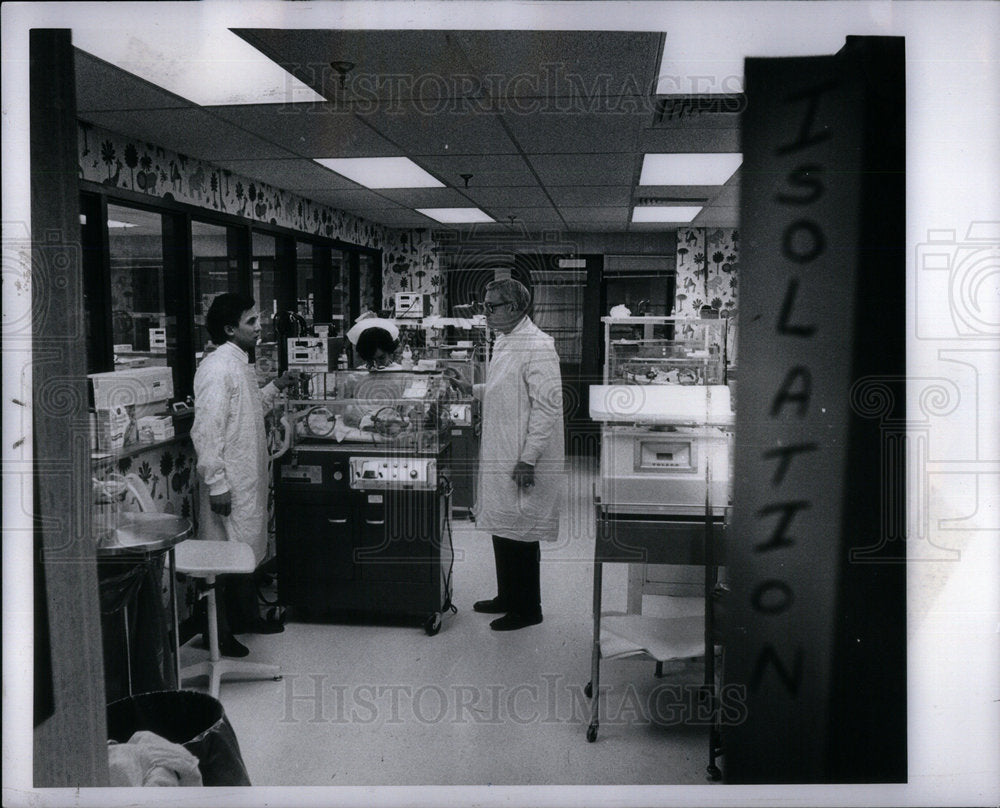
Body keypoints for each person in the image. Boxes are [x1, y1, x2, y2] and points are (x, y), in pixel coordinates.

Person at [190, 293, 298, 656]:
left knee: (245, 551)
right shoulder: (216, 368)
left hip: (247, 478)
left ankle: (247, 617)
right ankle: (216, 634)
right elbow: (207, 429)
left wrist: (276, 386)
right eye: (251, 321)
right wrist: (216, 483)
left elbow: (248, 411)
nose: (260, 326)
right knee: (221, 558)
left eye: (258, 319)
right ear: (228, 329)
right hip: (229, 483)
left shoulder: (239, 363)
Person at [459, 278, 565, 631]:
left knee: (522, 529)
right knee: (504, 525)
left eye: (492, 307)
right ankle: (507, 596)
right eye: (485, 305)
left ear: (517, 308)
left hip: (522, 455)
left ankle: (528, 608)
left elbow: (547, 407)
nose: (485, 313)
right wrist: (471, 389)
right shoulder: (506, 341)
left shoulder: (537, 346)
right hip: (502, 450)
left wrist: (529, 457)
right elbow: (505, 391)